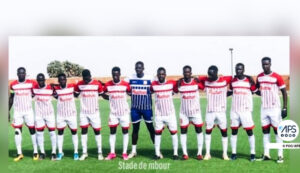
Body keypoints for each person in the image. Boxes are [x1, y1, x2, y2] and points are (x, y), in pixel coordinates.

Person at [255, 57, 287, 163]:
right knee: (265, 132)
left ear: (270, 64)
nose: (265, 66)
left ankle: (280, 155)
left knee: (277, 132)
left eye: (267, 64)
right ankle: (266, 154)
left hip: (275, 109)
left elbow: (284, 92)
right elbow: (258, 90)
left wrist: (285, 107)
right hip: (264, 108)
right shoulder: (259, 77)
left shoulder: (277, 77)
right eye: (263, 64)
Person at [199, 65, 232, 161]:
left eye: (212, 75)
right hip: (210, 111)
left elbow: (234, 79)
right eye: (209, 74)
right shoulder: (206, 81)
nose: (210, 77)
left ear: (216, 73)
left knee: (224, 132)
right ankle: (207, 153)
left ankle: (225, 154)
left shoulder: (224, 80)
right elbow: (198, 80)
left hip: (221, 111)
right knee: (208, 131)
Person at [126, 61, 155, 158]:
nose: (138, 69)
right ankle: (134, 151)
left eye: (140, 68)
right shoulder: (130, 78)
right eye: (137, 68)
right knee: (135, 130)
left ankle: (157, 150)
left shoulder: (150, 78)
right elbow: (121, 85)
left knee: (151, 129)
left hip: (147, 108)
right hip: (135, 109)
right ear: (135, 68)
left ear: (143, 68)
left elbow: (157, 86)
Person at [227, 63, 256, 161]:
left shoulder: (249, 81)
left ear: (243, 70)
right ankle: (234, 153)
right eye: (236, 69)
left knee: (249, 131)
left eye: (240, 69)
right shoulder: (233, 81)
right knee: (234, 131)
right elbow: (230, 91)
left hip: (246, 110)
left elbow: (255, 91)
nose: (238, 71)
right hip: (234, 110)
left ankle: (252, 153)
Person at [75, 69, 106, 161]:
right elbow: (75, 94)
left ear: (90, 75)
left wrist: (111, 97)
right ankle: (84, 153)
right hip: (83, 113)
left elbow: (102, 94)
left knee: (97, 132)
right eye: (84, 78)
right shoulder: (80, 84)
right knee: (84, 132)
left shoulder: (97, 84)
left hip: (94, 113)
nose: (86, 79)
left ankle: (100, 153)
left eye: (87, 77)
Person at [9, 67, 39, 161]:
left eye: (23, 73)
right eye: (20, 73)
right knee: (17, 131)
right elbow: (11, 98)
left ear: (25, 74)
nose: (21, 75)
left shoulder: (31, 83)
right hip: (18, 111)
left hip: (28, 111)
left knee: (32, 130)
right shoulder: (13, 85)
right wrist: (8, 111)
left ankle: (35, 151)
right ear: (17, 74)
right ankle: (19, 153)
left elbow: (36, 93)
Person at [177, 65, 205, 160]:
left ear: (191, 73)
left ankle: (199, 153)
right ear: (183, 73)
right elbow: (174, 89)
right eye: (185, 72)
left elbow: (204, 84)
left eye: (188, 72)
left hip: (195, 112)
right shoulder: (180, 83)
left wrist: (198, 78)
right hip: (183, 112)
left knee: (199, 131)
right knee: (183, 132)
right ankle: (185, 153)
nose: (186, 74)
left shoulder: (196, 83)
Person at [104, 67, 131, 160]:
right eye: (113, 74)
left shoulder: (125, 84)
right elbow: (102, 93)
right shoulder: (108, 85)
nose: (115, 76)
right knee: (112, 132)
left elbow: (130, 92)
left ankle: (124, 153)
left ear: (120, 74)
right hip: (113, 113)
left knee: (125, 132)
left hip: (124, 113)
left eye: (117, 74)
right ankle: (112, 153)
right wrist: (109, 98)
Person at [151, 67, 178, 160]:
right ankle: (157, 153)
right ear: (157, 75)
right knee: (157, 134)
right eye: (159, 74)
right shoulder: (153, 85)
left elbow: (176, 89)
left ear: (165, 75)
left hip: (170, 114)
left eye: (163, 74)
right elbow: (149, 91)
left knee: (173, 133)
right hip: (159, 114)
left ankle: (175, 153)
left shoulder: (171, 83)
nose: (161, 76)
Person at [53, 73, 79, 160]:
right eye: (60, 80)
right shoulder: (56, 89)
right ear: (59, 81)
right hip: (60, 115)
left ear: (66, 80)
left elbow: (78, 91)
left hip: (71, 115)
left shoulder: (72, 87)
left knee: (74, 133)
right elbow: (56, 96)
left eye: (64, 79)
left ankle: (76, 152)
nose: (62, 81)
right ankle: (60, 152)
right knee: (60, 133)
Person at [33, 73, 57, 160]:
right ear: (37, 80)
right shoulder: (34, 88)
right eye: (39, 80)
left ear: (44, 80)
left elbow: (57, 96)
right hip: (39, 114)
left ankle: (54, 152)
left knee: (52, 133)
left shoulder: (50, 88)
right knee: (39, 133)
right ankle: (42, 153)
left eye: (42, 80)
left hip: (49, 114)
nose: (40, 82)